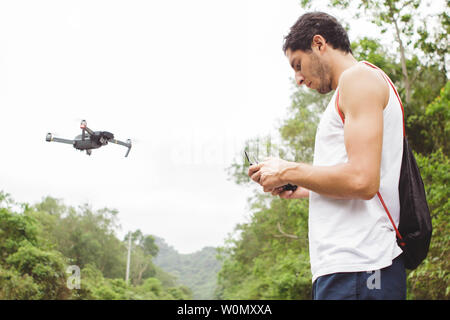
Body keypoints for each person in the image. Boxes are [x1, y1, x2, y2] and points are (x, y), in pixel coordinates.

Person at [248, 12, 406, 300]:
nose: (298, 78)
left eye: (298, 65)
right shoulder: (352, 88)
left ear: (319, 43)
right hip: (349, 270)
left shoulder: (358, 79)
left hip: (361, 267)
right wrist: (302, 188)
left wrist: (287, 170)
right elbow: (357, 179)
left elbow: (363, 181)